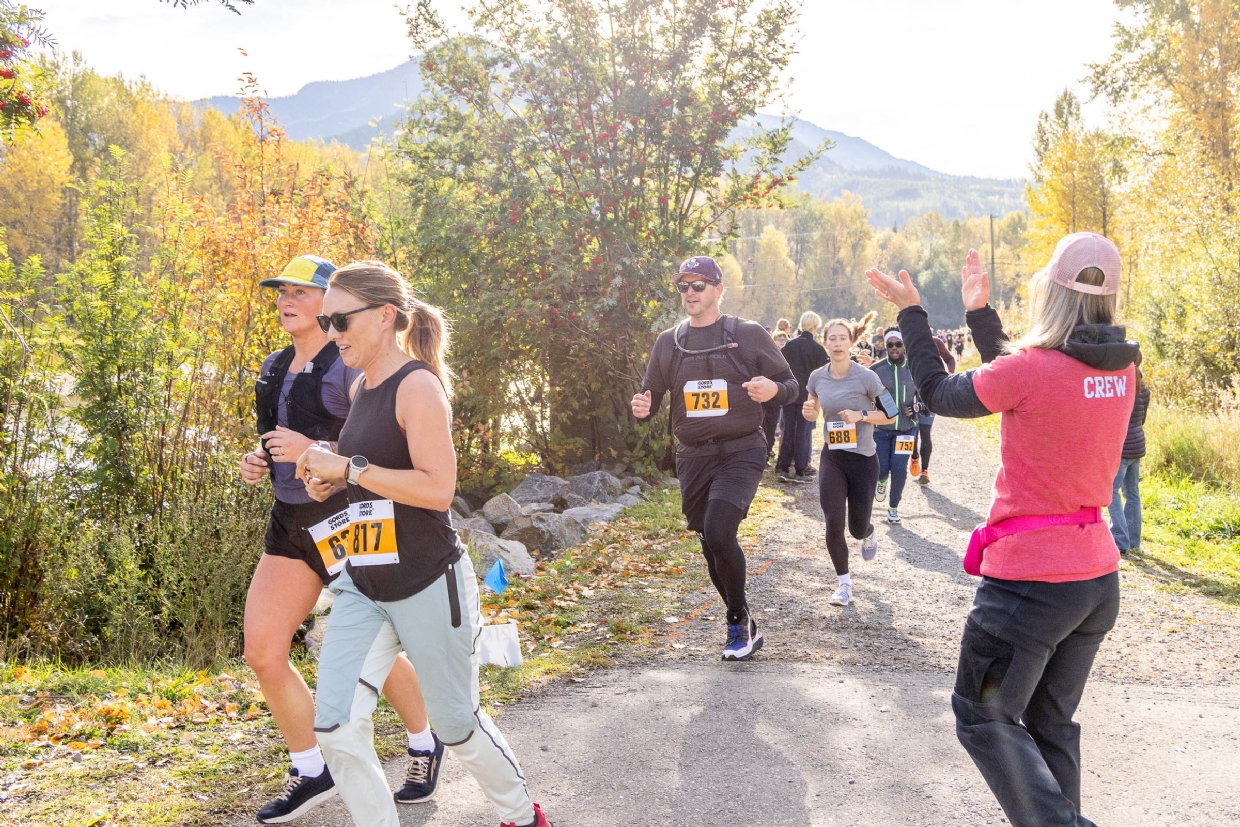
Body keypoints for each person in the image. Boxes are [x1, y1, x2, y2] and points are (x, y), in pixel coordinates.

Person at [866, 232, 1137, 827]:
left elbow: (939, 393)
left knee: (981, 713)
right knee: (1049, 724)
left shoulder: (1030, 371)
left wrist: (912, 314)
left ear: (1049, 292)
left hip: (1030, 584)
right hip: (1095, 579)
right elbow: (1034, 379)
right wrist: (980, 315)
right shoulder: (1123, 369)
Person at [295, 261, 550, 827]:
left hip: (428, 581)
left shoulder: (418, 386)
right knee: (335, 726)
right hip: (366, 583)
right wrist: (332, 478)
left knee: (456, 725)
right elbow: (374, 471)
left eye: (340, 320)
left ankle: (522, 816)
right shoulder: (361, 384)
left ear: (385, 316)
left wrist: (349, 468)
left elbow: (437, 490)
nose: (331, 333)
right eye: (325, 321)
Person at [238, 255, 440, 823]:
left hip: (349, 519)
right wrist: (259, 459)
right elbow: (282, 439)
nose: (286, 300)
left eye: (300, 292)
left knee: (372, 649)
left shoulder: (351, 365)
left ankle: (425, 742)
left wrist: (317, 452)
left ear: (332, 303)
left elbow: (382, 443)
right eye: (281, 291)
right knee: (263, 650)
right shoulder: (275, 365)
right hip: (290, 521)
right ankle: (311, 768)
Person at [630, 256, 797, 660]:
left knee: (720, 532)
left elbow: (792, 386)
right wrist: (642, 409)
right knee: (710, 543)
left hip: (741, 450)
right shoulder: (669, 342)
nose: (689, 293)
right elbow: (651, 397)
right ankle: (746, 622)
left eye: (698, 285)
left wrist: (773, 391)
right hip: (693, 457)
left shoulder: (748, 334)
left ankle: (736, 621)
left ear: (718, 290)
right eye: (683, 286)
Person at [801, 310, 891, 607]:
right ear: (825, 343)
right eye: (832, 339)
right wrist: (809, 412)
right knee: (832, 521)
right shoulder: (817, 377)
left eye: (842, 338)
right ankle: (844, 585)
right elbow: (813, 411)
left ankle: (868, 531)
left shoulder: (868, 377)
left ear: (851, 342)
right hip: (833, 458)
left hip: (863, 460)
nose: (837, 343)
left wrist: (861, 414)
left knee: (856, 528)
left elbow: (891, 415)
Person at [870, 327, 920, 523]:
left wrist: (917, 407)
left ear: (904, 346)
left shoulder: (914, 369)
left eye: (898, 344)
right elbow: (864, 394)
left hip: (907, 429)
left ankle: (893, 508)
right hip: (881, 430)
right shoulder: (876, 369)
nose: (894, 348)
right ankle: (881, 481)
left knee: (899, 469)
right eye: (890, 345)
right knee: (881, 469)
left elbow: (926, 398)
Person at [776, 311, 829, 483]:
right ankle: (800, 469)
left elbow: (780, 367)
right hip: (809, 396)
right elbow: (824, 374)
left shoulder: (789, 346)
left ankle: (784, 467)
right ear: (815, 327)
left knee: (788, 430)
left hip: (790, 393)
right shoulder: (818, 349)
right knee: (803, 433)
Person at [1110, 351, 1149, 555]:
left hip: (1123, 446)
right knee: (1132, 493)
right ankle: (1133, 540)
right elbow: (1142, 419)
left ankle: (1120, 540)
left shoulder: (1120, 387)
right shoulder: (1143, 388)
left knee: (1111, 492)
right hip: (1137, 445)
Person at [912, 336, 956, 486]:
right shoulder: (909, 340)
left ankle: (924, 470)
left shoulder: (936, 342)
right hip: (911, 391)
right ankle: (914, 455)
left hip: (929, 391)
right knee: (913, 431)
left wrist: (950, 374)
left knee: (925, 431)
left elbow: (950, 359)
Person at [763, 329, 791, 461]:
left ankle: (768, 450)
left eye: (784, 339)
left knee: (773, 426)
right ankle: (764, 452)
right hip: (763, 398)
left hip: (776, 397)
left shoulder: (786, 355)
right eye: (779, 339)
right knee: (764, 426)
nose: (781, 342)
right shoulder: (766, 354)